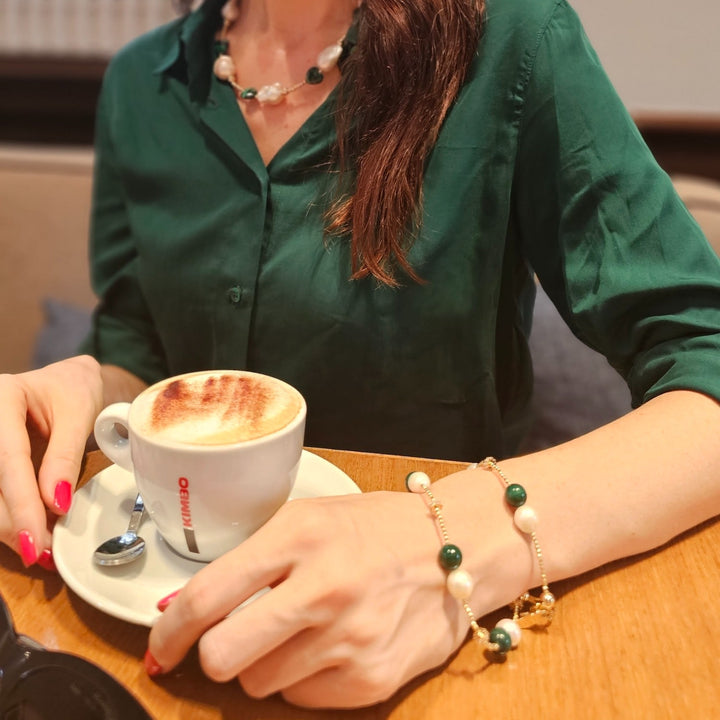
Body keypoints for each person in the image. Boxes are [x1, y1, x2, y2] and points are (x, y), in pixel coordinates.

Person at [1, 0, 720, 708]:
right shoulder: (142, 82)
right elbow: (141, 346)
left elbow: (703, 351)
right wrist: (83, 392)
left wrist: (447, 541)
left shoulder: (516, 43)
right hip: (157, 650)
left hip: (430, 658)